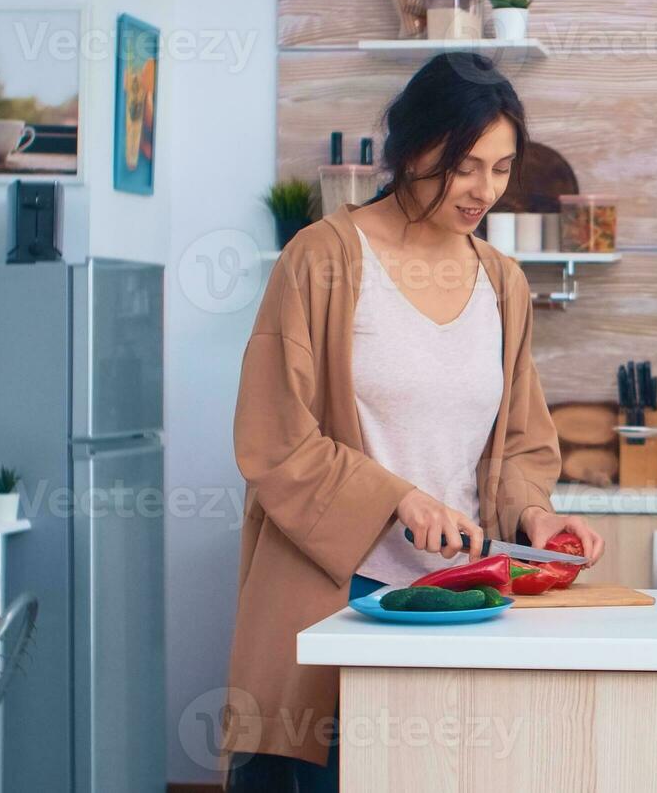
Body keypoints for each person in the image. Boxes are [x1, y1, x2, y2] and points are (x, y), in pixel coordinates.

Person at [222, 53, 604, 791]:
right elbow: (273, 436)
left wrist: (535, 514)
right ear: (411, 147)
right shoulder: (324, 259)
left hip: (462, 598)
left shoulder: (503, 281)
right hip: (340, 595)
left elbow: (520, 439)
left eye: (499, 168)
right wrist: (395, 496)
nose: (483, 190)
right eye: (465, 165)